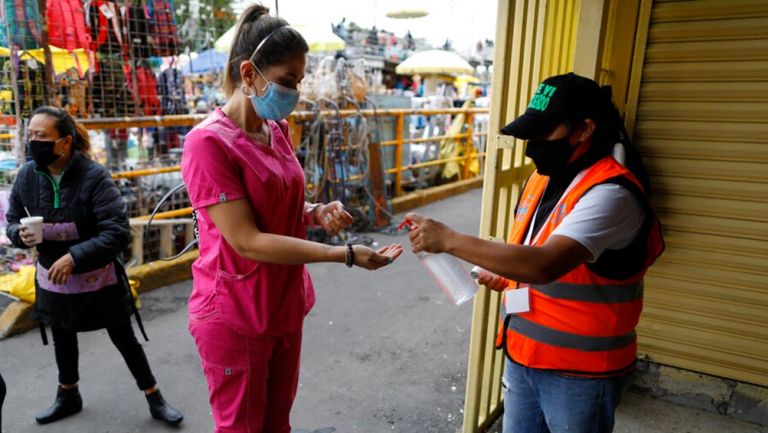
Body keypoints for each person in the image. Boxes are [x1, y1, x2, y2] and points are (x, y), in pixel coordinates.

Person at [180, 5, 402, 433]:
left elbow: (276, 201)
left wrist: (315, 212)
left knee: (277, 421)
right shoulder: (207, 143)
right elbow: (246, 239)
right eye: (287, 81)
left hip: (282, 303)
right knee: (243, 426)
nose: (294, 92)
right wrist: (344, 255)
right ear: (249, 75)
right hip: (235, 311)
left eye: (298, 82)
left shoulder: (275, 130)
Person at [406, 73, 664, 433]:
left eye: (544, 133)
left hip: (580, 374)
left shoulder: (613, 194)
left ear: (584, 130)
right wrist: (507, 275)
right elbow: (529, 248)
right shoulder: (544, 176)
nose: (532, 146)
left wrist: (448, 239)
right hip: (523, 356)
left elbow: (544, 264)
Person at [4, 106, 183, 426]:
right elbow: (12, 220)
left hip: (98, 278)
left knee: (124, 338)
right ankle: (68, 394)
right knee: (62, 336)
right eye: (30, 135)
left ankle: (154, 395)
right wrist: (19, 234)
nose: (33, 142)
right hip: (51, 279)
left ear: (65, 142)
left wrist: (75, 257)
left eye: (40, 136)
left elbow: (117, 231)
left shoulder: (94, 176)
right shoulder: (27, 176)